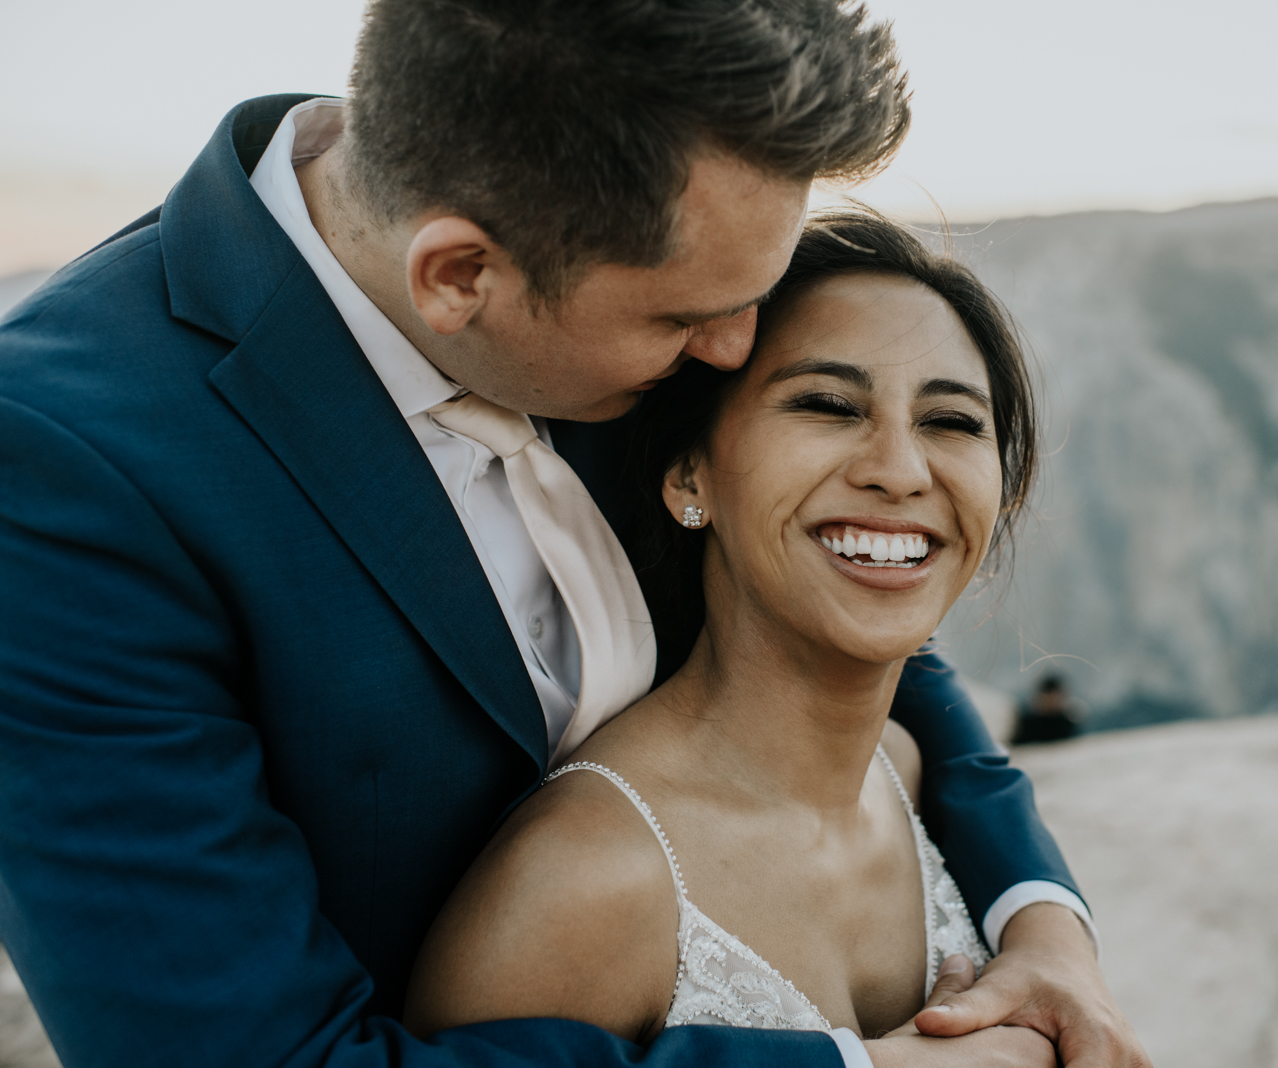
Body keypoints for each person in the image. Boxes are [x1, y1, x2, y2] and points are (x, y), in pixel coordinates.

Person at [0, 3, 1144, 1068]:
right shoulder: (66, 470)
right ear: (459, 275)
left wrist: (1038, 918)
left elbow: (831, 597)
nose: (738, 351)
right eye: (688, 318)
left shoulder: (589, 205)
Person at [403, 211, 1139, 1068]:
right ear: (690, 474)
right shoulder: (583, 883)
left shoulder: (906, 774)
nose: (901, 470)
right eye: (828, 405)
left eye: (953, 422)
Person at [1012, 675, 1087, 746]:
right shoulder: (1029, 724)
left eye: (1054, 698)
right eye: (1047, 698)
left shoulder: (1067, 724)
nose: (1051, 702)